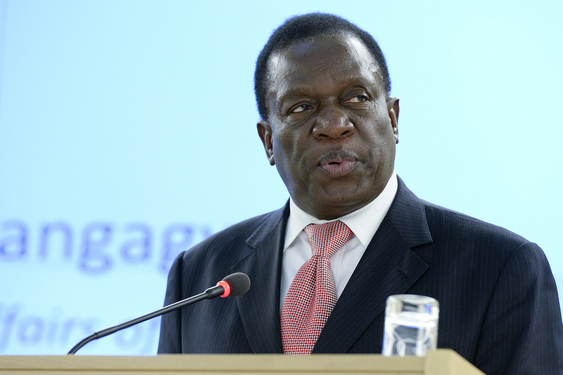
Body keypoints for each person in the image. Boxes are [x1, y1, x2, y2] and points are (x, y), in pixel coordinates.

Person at [158, 13, 563, 375]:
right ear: (267, 140)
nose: (334, 124)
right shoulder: (200, 275)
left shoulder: (499, 267)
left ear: (392, 117)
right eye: (301, 107)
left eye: (357, 98)